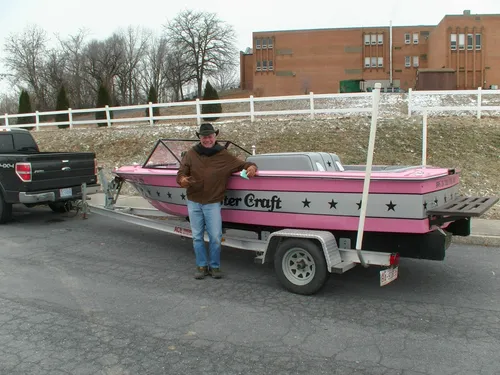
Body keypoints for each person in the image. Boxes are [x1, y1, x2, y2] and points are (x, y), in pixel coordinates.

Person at [176, 123, 258, 279]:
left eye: (210, 136)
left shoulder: (223, 155)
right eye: (204, 137)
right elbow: (181, 174)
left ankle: (214, 266)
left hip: (213, 203)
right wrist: (182, 180)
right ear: (199, 137)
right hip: (194, 201)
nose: (207, 139)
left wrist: (252, 167)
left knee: (215, 236)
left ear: (215, 136)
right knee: (197, 236)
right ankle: (201, 266)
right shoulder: (191, 154)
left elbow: (243, 164)